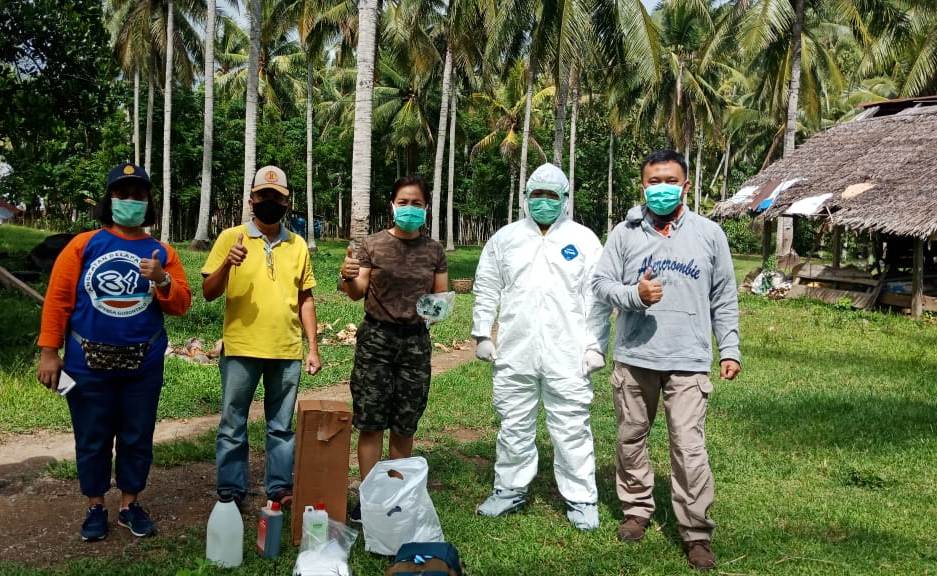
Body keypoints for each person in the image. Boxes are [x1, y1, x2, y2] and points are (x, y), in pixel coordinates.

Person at [590, 149, 741, 571]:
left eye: (669, 181)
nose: (661, 189)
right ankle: (637, 510)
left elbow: (724, 296)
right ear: (643, 185)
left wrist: (728, 348)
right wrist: (633, 297)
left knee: (689, 447)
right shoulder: (625, 233)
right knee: (630, 438)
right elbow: (601, 284)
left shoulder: (710, 234)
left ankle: (695, 532)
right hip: (635, 356)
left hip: (689, 359)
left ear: (686, 185)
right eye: (653, 181)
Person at [36, 163, 192, 541]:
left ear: (148, 203)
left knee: (137, 434)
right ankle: (94, 506)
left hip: (144, 364)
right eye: (122, 194)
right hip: (86, 363)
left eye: (138, 195)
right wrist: (48, 352)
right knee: (92, 435)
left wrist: (162, 279)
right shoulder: (83, 245)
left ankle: (129, 504)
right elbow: (58, 300)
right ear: (109, 200)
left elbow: (182, 303)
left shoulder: (161, 251)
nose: (130, 201)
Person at [471, 163, 609, 531]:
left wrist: (595, 346)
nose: (544, 201)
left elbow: (596, 299)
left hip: (568, 350)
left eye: (551, 196)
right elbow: (487, 287)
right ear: (526, 197)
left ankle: (581, 498)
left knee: (571, 425)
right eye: (537, 195)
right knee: (514, 423)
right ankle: (509, 490)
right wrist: (483, 333)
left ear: (565, 199)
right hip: (515, 350)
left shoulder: (584, 240)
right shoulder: (506, 239)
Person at [202, 165, 322, 508]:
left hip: (286, 350)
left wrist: (312, 347)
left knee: (282, 427)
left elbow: (306, 299)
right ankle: (230, 489)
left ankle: (280, 488)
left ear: (286, 202)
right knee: (232, 424)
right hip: (241, 347)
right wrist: (227, 264)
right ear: (251, 199)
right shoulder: (230, 238)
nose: (270, 201)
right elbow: (209, 292)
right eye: (263, 195)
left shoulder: (298, 245)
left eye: (277, 197)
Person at [339, 175, 448, 522]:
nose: (410, 209)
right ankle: (371, 501)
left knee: (404, 426)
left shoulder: (434, 250)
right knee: (371, 424)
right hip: (376, 342)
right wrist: (346, 275)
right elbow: (357, 291)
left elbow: (440, 302)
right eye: (403, 202)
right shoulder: (373, 245)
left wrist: (432, 307)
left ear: (426, 208)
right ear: (392, 205)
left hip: (415, 344)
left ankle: (398, 500)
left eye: (417, 203)